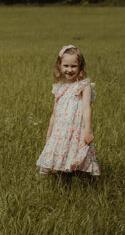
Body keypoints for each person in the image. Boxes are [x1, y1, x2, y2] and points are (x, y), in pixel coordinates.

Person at [35, 44, 100, 179]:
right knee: (60, 151)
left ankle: (83, 178)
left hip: (76, 129)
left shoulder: (83, 86)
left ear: (80, 67)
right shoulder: (59, 88)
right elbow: (54, 113)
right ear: (59, 66)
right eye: (66, 66)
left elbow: (87, 108)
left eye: (73, 66)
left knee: (77, 152)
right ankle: (63, 179)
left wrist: (87, 130)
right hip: (61, 129)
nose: (69, 70)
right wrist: (49, 133)